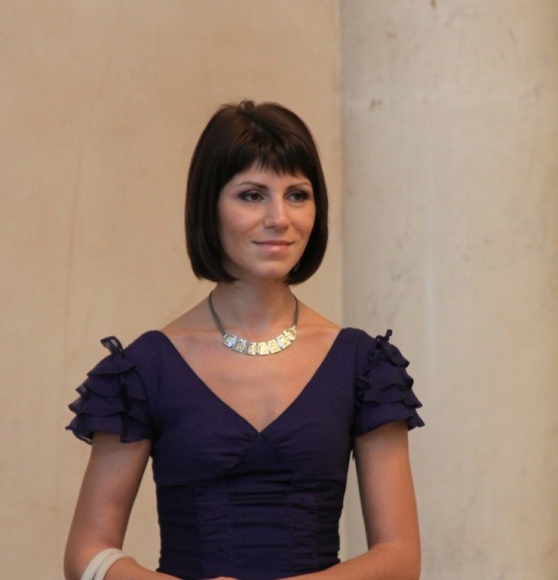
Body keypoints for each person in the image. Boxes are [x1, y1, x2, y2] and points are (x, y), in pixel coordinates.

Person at [64, 100, 424, 580]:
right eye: (252, 195)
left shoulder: (364, 366)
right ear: (208, 207)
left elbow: (400, 558)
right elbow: (86, 554)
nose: (280, 218)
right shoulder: (144, 369)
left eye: (297, 195)